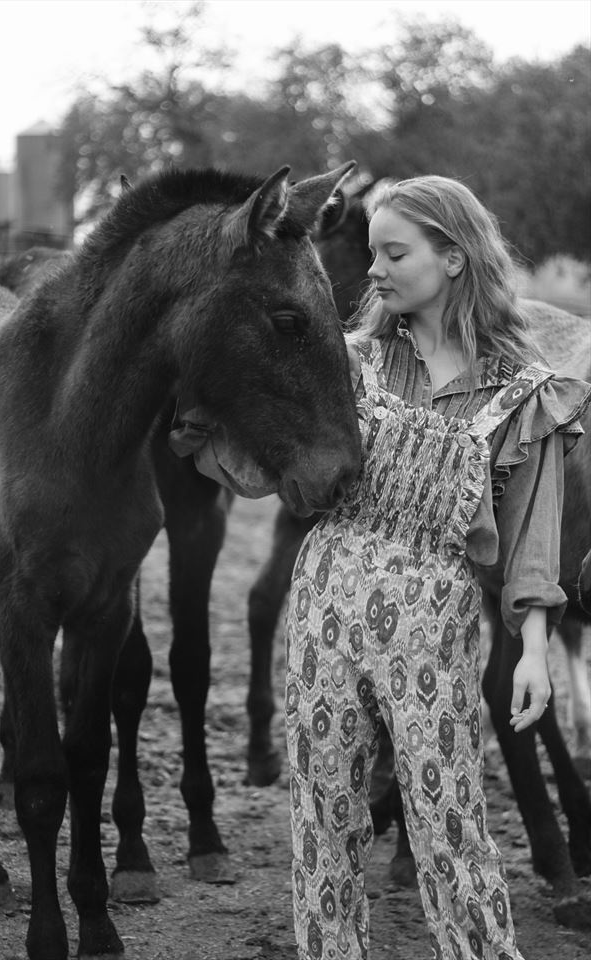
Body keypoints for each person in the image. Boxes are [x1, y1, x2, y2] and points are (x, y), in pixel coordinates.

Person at [283, 175, 591, 960]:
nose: (373, 270)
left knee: (451, 821)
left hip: (434, 621)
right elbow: (287, 479)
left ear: (453, 258)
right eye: (373, 254)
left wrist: (533, 648)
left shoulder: (525, 392)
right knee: (323, 821)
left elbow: (533, 533)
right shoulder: (348, 364)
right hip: (323, 604)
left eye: (395, 253)